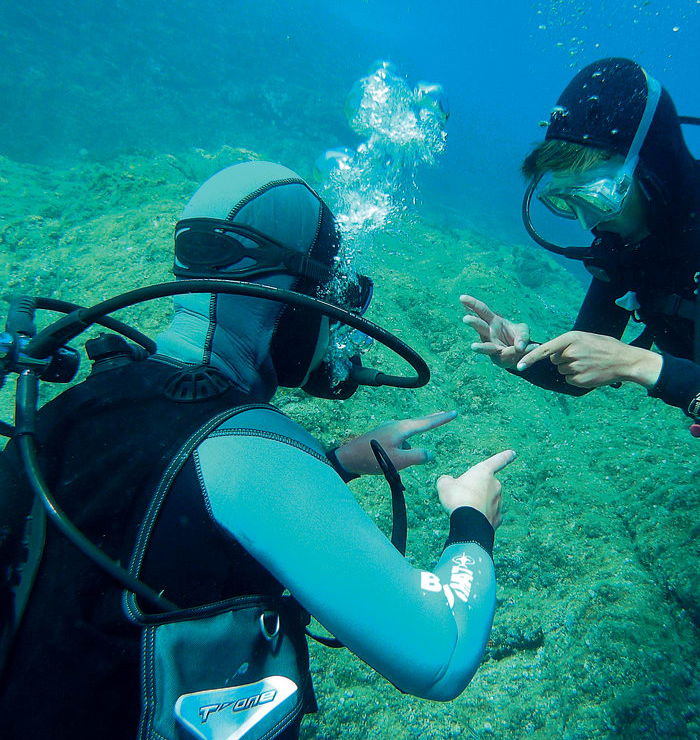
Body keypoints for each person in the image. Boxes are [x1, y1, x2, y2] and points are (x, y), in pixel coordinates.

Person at [0, 161, 514, 739]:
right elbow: (440, 655)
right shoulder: (252, 449)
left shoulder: (80, 400)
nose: (337, 330)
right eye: (333, 300)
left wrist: (334, 464)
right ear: (295, 300)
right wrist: (472, 519)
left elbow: (164, 512)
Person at [461, 58, 700, 432]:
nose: (589, 223)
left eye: (597, 197)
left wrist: (638, 363)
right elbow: (578, 375)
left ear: (655, 170)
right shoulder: (626, 249)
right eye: (568, 202)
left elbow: (621, 360)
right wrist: (524, 355)